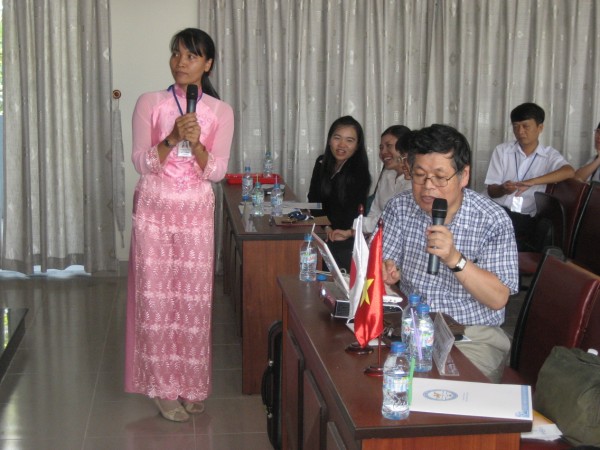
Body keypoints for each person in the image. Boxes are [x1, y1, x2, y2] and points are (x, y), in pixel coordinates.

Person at [124, 28, 234, 422]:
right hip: (154, 210)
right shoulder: (149, 102)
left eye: (190, 56)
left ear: (208, 64)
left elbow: (217, 172)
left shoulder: (221, 111)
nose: (180, 62)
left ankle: (190, 383)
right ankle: (162, 387)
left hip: (195, 214)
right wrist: (171, 138)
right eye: (176, 54)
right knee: (156, 298)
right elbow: (140, 162)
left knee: (192, 300)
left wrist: (198, 143)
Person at [382, 124, 519, 383]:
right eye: (419, 175)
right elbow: (384, 262)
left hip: (471, 337)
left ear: (464, 175)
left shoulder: (492, 219)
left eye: (440, 177)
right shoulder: (399, 207)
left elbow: (498, 298)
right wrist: (387, 270)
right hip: (411, 328)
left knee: (441, 393)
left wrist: (455, 259)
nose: (428, 187)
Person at [484, 102, 574, 250]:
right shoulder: (502, 151)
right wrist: (503, 189)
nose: (520, 131)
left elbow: (569, 171)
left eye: (526, 126)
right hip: (495, 209)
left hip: (524, 217)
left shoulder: (549, 155)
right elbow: (491, 191)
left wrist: (533, 181)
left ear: (540, 128)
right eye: (516, 126)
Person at [308, 116, 372, 271]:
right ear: (330, 140)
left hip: (345, 236)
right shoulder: (322, 162)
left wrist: (333, 231)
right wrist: (326, 227)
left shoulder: (359, 174)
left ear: (357, 146)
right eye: (337, 138)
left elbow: (350, 215)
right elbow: (314, 200)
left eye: (349, 140)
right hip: (324, 229)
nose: (342, 145)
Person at [329, 125, 411, 242]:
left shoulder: (415, 182)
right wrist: (352, 232)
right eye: (381, 148)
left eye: (389, 146)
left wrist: (356, 228)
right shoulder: (387, 174)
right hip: (376, 240)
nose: (383, 152)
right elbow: (375, 211)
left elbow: (392, 219)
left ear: (405, 150)